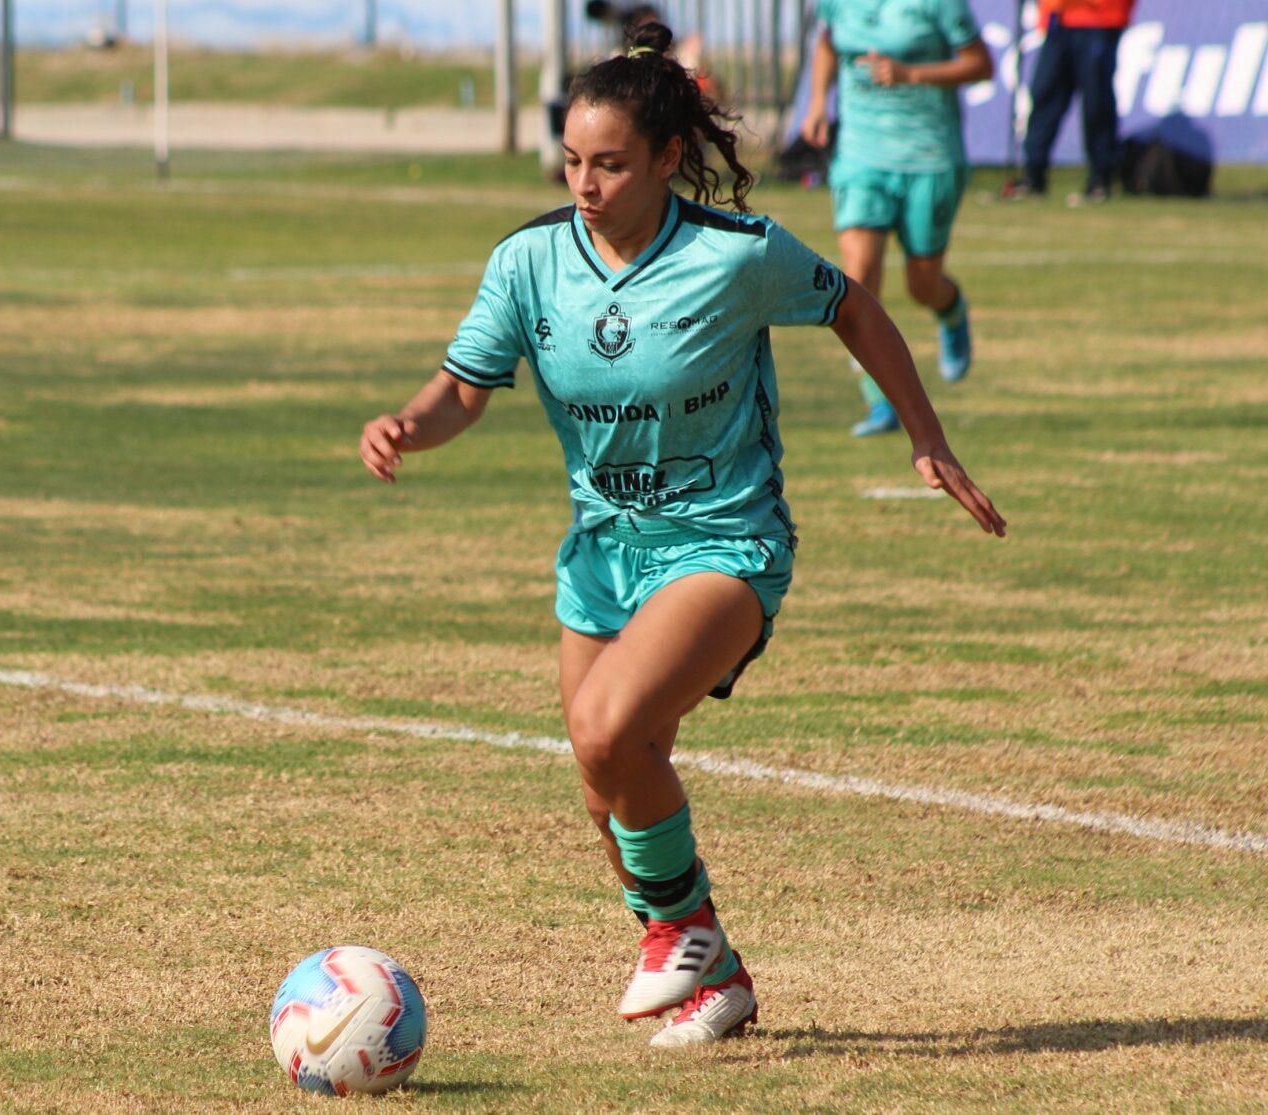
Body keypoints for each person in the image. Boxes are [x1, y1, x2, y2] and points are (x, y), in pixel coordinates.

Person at [359, 22, 1005, 1049]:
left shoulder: (732, 256)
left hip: (724, 542)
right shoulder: (528, 261)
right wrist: (407, 421)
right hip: (602, 553)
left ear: (667, 158)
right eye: (571, 160)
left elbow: (853, 308)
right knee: (602, 771)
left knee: (608, 727)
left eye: (609, 163)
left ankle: (681, 937)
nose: (584, 183)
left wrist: (924, 437)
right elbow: (462, 390)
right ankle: (710, 964)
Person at [800, 0, 992, 437]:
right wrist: (816, 103)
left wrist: (912, 74)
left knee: (922, 284)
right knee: (858, 278)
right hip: (861, 156)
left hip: (929, 156)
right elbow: (828, 43)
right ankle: (879, 400)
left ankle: (950, 309)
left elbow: (981, 64)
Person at [1014, 0, 1137, 205]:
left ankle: (1100, 178)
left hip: (1098, 19)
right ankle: (1033, 176)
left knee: (1096, 102)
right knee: (1044, 96)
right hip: (1059, 20)